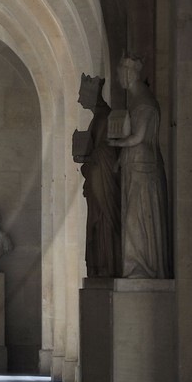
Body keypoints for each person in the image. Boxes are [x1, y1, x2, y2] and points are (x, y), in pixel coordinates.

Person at [106, 56, 171, 278]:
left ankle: (141, 266)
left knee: (138, 217)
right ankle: (136, 266)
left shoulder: (144, 101)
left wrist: (116, 143)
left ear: (128, 73)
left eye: (119, 74)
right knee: (132, 216)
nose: (118, 78)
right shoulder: (136, 100)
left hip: (143, 166)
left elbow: (138, 137)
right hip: (135, 164)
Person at [76, 73, 121, 278]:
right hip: (97, 182)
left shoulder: (104, 117)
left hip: (103, 182)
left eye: (82, 95)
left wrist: (89, 159)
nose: (79, 100)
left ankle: (106, 265)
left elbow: (106, 151)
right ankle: (100, 266)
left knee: (103, 224)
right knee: (98, 227)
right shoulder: (98, 118)